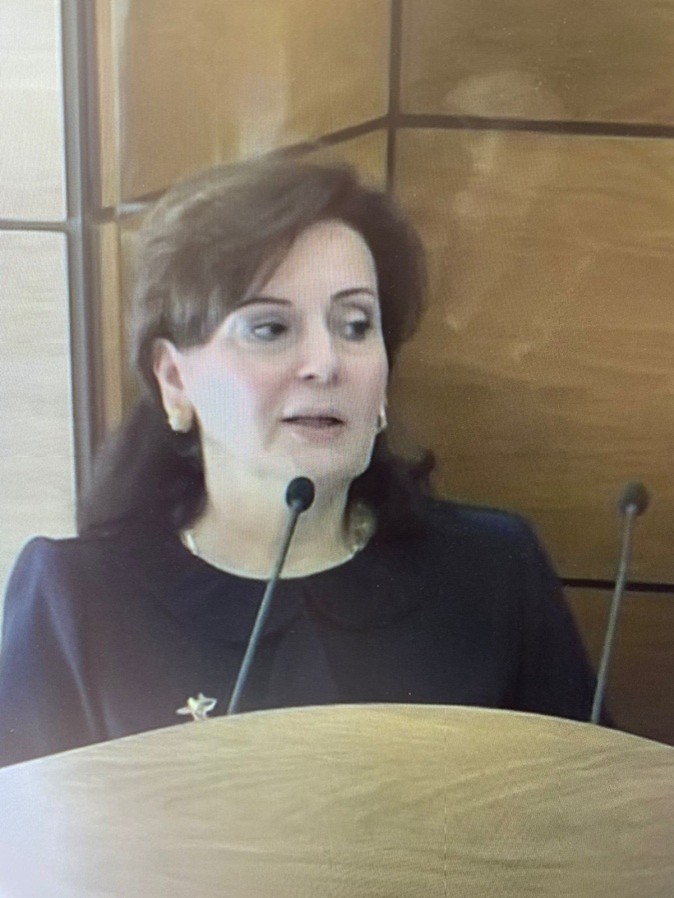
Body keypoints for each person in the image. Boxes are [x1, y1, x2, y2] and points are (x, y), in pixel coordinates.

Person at [0, 158, 598, 768]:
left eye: (355, 325)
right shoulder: (78, 602)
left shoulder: (493, 573)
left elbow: (591, 808)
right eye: (270, 328)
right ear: (175, 380)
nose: (325, 363)